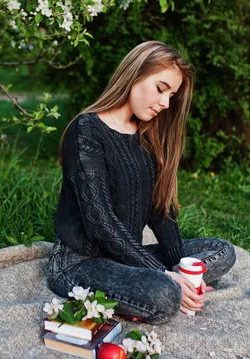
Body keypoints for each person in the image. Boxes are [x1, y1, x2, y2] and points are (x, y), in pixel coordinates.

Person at [46, 41, 236, 324]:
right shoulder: (86, 130)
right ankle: (167, 289)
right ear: (134, 74)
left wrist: (178, 266)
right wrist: (161, 274)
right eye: (161, 89)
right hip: (80, 263)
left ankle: (170, 286)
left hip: (126, 257)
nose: (166, 103)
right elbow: (100, 222)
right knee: (164, 295)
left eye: (172, 95)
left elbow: (160, 212)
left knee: (223, 251)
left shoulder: (147, 135)